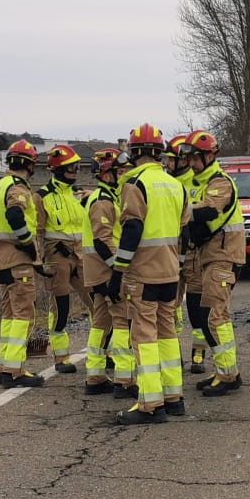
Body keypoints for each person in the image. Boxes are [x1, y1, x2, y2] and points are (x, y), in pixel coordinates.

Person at [110, 124, 186, 424]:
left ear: (134, 153)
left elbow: (132, 229)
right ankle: (174, 397)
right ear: (159, 152)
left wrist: (118, 271)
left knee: (144, 336)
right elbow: (184, 229)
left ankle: (150, 404)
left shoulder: (134, 184)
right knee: (167, 333)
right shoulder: (175, 185)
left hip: (143, 274)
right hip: (170, 272)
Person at [187, 129, 245, 395]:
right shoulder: (199, 183)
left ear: (210, 156)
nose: (192, 163)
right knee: (205, 315)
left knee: (216, 315)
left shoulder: (220, 182)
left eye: (195, 157)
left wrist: (178, 210)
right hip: (209, 256)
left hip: (223, 256)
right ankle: (224, 370)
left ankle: (228, 375)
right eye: (190, 158)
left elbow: (209, 210)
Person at [0, 139, 44, 387]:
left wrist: (3, 241)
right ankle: (15, 371)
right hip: (17, 261)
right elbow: (14, 214)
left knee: (9, 315)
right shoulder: (18, 188)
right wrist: (27, 243)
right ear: (30, 165)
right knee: (24, 315)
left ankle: (5, 367)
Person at [82, 149, 135, 397]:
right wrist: (118, 270)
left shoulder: (107, 197)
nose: (124, 175)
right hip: (106, 271)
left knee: (101, 322)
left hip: (98, 271)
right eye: (120, 171)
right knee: (122, 320)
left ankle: (95, 376)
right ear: (106, 174)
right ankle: (125, 379)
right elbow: (102, 241)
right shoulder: (103, 201)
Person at [35, 144, 90, 374]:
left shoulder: (78, 194)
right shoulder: (42, 197)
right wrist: (37, 260)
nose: (75, 171)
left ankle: (103, 351)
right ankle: (61, 356)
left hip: (81, 254)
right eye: (70, 167)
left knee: (97, 301)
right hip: (57, 255)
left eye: (77, 167)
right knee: (61, 306)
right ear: (57, 169)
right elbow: (37, 231)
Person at [168, 133, 208, 372]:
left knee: (196, 304)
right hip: (171, 251)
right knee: (169, 305)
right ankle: (172, 353)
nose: (167, 164)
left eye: (171, 160)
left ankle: (198, 352)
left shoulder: (197, 183)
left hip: (193, 252)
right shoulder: (166, 184)